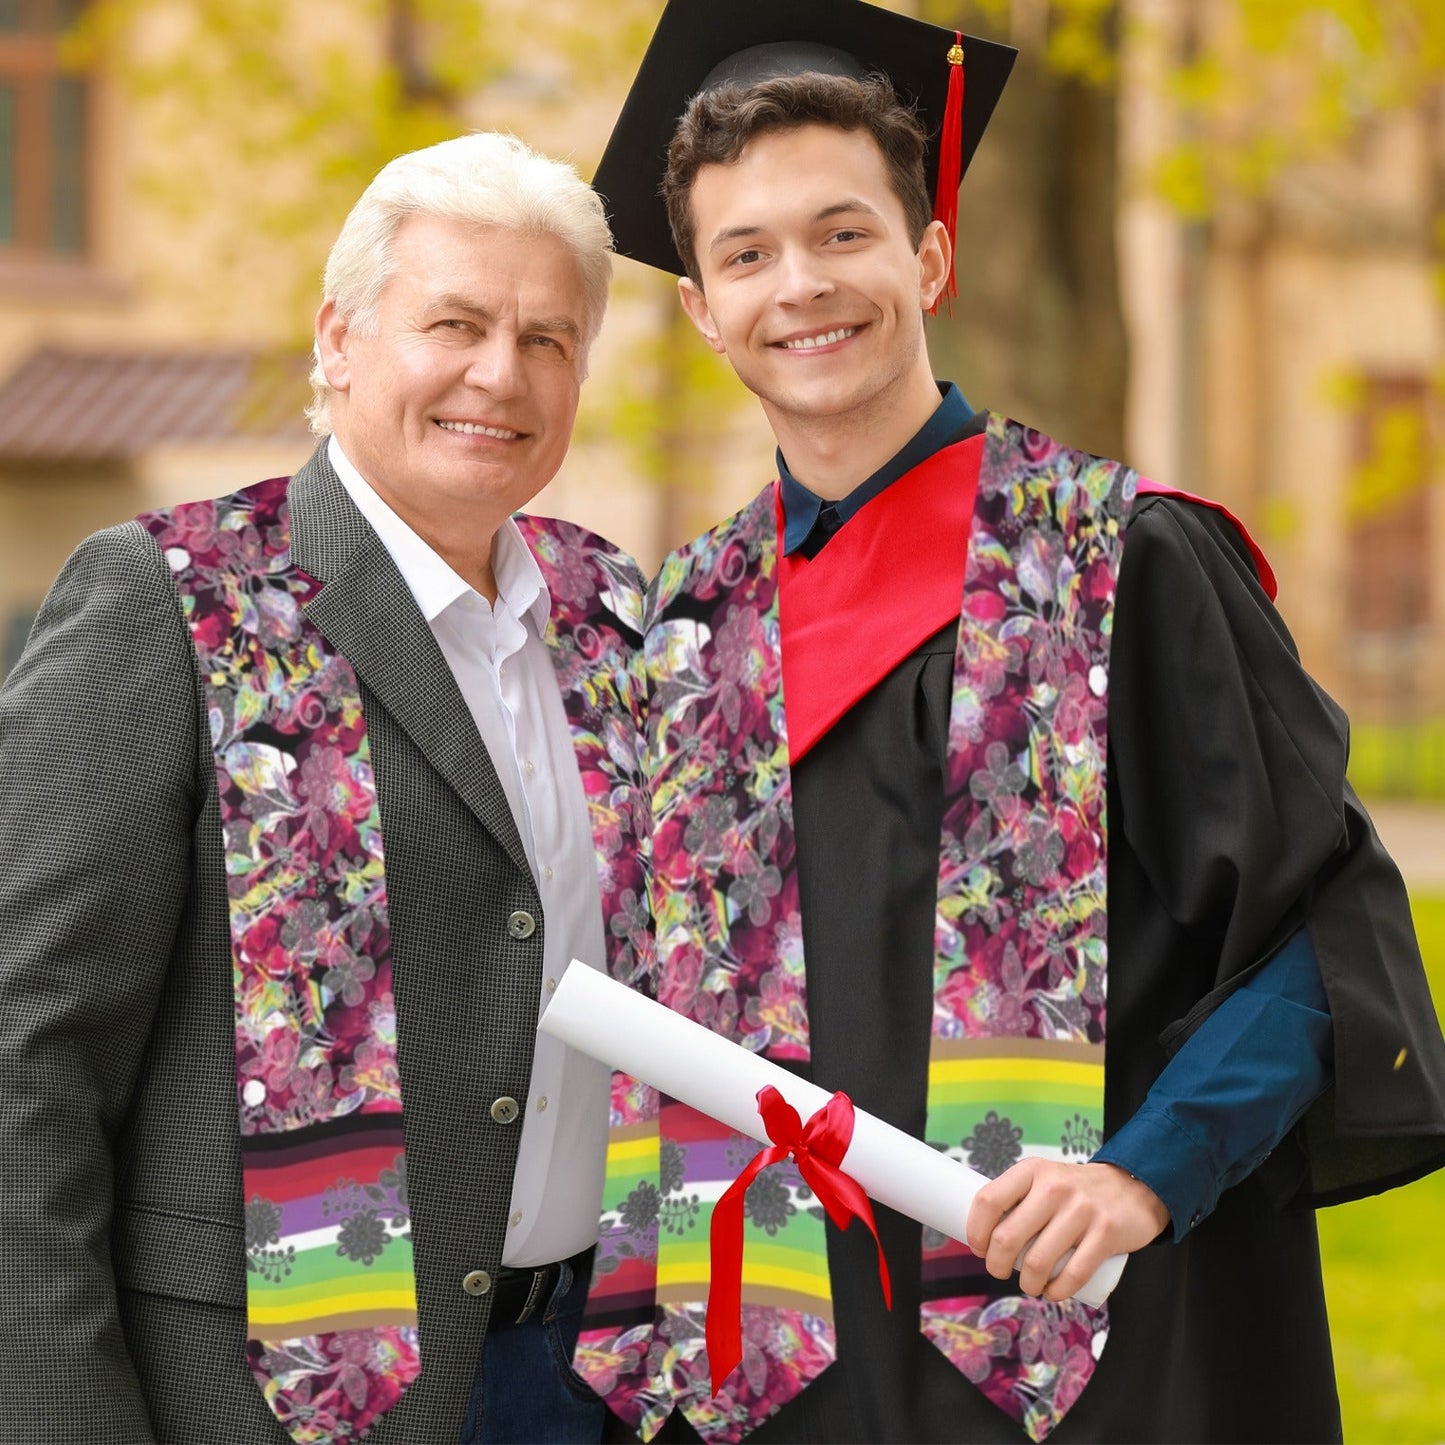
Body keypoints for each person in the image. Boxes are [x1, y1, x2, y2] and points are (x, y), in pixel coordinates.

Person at [569, 2, 1445, 1442]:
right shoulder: (683, 633)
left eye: (842, 233)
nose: (800, 285)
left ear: (928, 254)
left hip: (1092, 1348)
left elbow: (1319, 932)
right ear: (701, 308)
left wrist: (1143, 1172)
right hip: (784, 1376)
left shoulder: (1123, 563)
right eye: (746, 254)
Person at [0, 132, 650, 1445]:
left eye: (546, 338)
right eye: (454, 322)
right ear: (339, 339)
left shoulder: (617, 618)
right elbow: (27, 1057)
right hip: (270, 1399)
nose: (498, 373)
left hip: (593, 1381)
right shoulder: (174, 600)